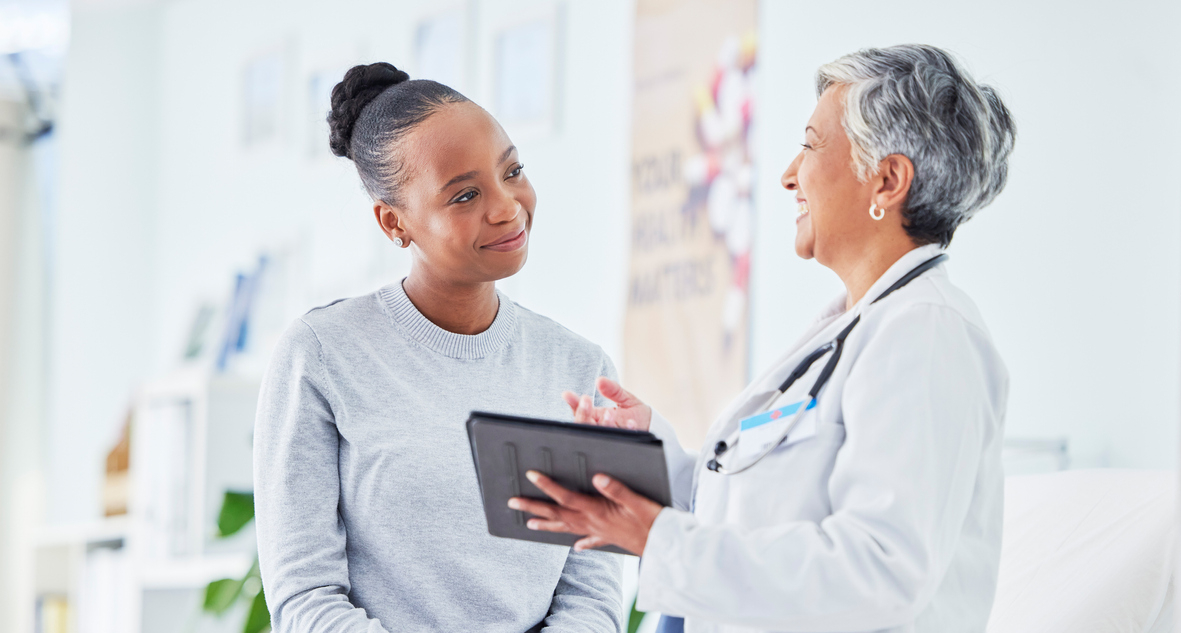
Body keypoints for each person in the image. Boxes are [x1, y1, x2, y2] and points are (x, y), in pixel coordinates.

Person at [510, 44, 1016, 633]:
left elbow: (880, 572)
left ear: (887, 181)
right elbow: (762, 515)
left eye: (810, 143)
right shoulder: (852, 331)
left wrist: (658, 538)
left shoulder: (927, 333)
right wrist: (655, 458)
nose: (788, 174)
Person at [253, 63, 622, 633]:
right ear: (394, 223)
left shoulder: (580, 368)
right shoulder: (321, 356)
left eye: (513, 170)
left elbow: (593, 596)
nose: (506, 206)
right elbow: (304, 596)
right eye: (465, 194)